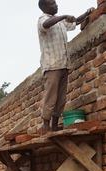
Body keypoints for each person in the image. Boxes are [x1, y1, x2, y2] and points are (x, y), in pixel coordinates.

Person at [37, 0, 94, 132]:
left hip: (64, 64)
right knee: (51, 96)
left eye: (55, 3)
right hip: (52, 65)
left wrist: (86, 13)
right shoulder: (42, 19)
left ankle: (55, 125)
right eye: (52, 4)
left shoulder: (60, 22)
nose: (56, 5)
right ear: (45, 7)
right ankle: (46, 125)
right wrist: (63, 16)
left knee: (61, 98)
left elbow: (75, 22)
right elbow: (46, 25)